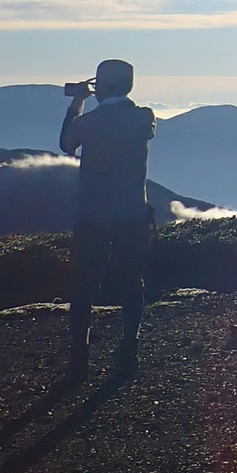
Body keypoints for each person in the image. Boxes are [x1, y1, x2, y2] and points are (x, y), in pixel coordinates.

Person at [59, 58, 158, 375]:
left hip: (92, 215)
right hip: (133, 214)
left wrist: (78, 101)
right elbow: (141, 125)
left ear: (103, 86)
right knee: (131, 282)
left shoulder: (90, 122)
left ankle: (79, 356)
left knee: (83, 285)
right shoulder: (144, 118)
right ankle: (129, 348)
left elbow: (66, 144)